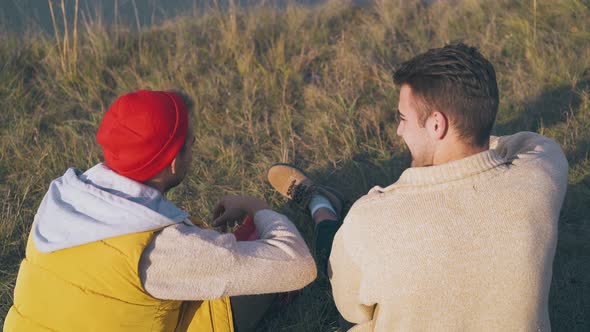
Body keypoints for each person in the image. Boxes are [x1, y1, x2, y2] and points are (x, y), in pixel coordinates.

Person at [267, 43, 569, 331]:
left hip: (365, 237)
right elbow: (534, 143)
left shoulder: (369, 220)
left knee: (335, 246)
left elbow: (352, 309)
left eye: (403, 118)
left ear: (437, 125)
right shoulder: (541, 175)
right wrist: (470, 139)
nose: (399, 131)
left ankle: (318, 204)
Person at [4, 89, 317, 332]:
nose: (194, 146)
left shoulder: (61, 200)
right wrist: (257, 206)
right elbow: (299, 264)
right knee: (256, 263)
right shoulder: (160, 250)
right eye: (190, 142)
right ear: (171, 162)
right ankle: (323, 213)